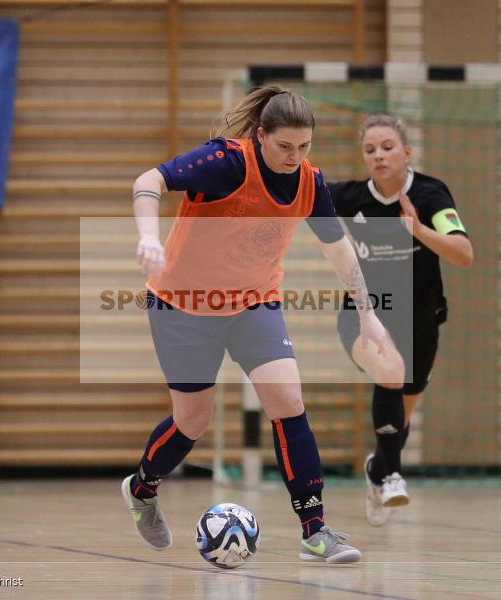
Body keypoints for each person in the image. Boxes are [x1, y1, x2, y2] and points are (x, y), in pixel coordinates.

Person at [121, 86, 393, 564]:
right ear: (261, 136)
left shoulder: (309, 182)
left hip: (253, 303)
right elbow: (150, 180)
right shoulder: (226, 162)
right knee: (193, 421)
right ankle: (141, 488)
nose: (295, 157)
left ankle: (315, 530)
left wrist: (368, 315)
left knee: (288, 400)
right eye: (285, 146)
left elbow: (339, 250)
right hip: (183, 305)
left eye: (304, 146)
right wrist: (148, 237)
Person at [328, 115, 473, 526]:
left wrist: (418, 230)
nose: (379, 155)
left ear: (406, 153)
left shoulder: (431, 194)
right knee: (390, 372)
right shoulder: (350, 197)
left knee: (399, 421)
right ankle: (392, 476)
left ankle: (377, 470)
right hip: (364, 317)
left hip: (421, 320)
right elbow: (296, 193)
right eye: (370, 149)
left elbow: (464, 254)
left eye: (388, 147)